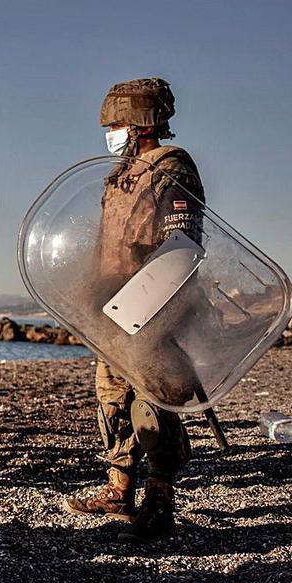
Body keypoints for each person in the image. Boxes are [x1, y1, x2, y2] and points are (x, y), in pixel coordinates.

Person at [63, 78, 204, 543]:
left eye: (118, 123)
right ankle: (118, 489)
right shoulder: (120, 175)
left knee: (152, 406)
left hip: (152, 307)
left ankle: (159, 502)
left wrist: (155, 308)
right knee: (112, 400)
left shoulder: (171, 167)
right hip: (113, 307)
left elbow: (181, 244)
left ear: (143, 123)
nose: (112, 132)